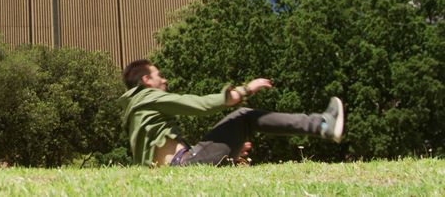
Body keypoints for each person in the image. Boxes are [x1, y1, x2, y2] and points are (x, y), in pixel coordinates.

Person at [119, 59, 344, 166]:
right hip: (186, 164)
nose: (165, 79)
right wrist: (242, 91)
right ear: (147, 80)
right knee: (244, 116)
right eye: (159, 75)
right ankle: (322, 124)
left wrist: (228, 148)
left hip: (182, 165)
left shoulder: (134, 113)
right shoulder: (147, 97)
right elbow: (199, 104)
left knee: (238, 135)